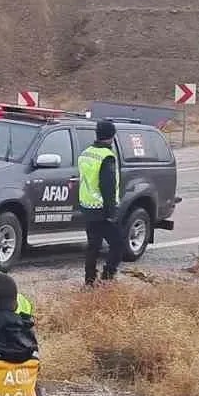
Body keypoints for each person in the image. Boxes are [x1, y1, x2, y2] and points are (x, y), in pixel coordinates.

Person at [78, 120, 123, 286]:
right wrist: (112, 213)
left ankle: (89, 280)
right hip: (102, 209)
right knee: (118, 245)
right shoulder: (107, 157)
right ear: (112, 136)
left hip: (87, 207)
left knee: (93, 246)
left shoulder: (86, 153)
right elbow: (108, 187)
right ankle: (107, 277)